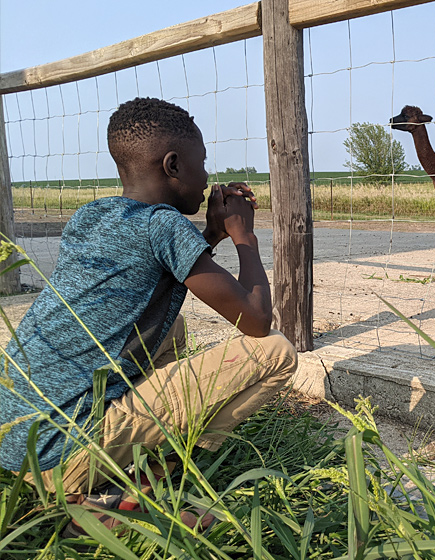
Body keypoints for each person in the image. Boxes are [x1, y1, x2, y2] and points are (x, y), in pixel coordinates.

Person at [0, 97, 297, 530]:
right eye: (203, 163)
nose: (206, 177)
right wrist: (243, 236)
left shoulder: (92, 215)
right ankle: (121, 494)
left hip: (19, 441)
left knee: (172, 328)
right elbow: (255, 320)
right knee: (277, 352)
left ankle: (107, 474)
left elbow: (153, 272)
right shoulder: (163, 226)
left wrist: (211, 233)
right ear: (173, 165)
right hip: (66, 457)